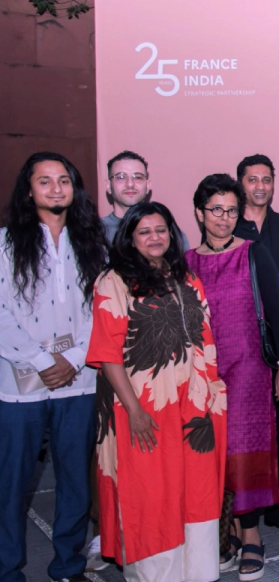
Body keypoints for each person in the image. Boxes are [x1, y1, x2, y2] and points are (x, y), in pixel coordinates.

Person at [86, 202, 227, 582]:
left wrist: (212, 394)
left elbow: (204, 338)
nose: (155, 237)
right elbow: (107, 355)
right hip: (143, 409)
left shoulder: (186, 277)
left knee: (195, 493)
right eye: (145, 231)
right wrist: (134, 410)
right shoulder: (113, 280)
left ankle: (197, 573)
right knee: (151, 493)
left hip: (194, 409)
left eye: (161, 229)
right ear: (129, 238)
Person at [0, 152, 107, 582]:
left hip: (78, 381)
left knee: (75, 482)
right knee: (12, 483)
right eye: (45, 181)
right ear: (30, 190)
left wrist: (76, 359)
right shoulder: (7, 244)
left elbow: (103, 310)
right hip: (19, 382)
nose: (55, 188)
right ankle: (8, 569)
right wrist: (44, 361)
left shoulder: (93, 246)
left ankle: (68, 565)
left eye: (63, 180)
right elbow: (2, 312)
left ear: (74, 188)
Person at [187, 174, 279, 580]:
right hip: (201, 374)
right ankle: (223, 533)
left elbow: (275, 309)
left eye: (231, 210)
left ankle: (251, 537)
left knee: (244, 452)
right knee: (209, 454)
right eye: (216, 210)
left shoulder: (253, 253)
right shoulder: (186, 261)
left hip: (248, 369)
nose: (224, 218)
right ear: (199, 213)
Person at [231, 153, 279, 537]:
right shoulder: (227, 225)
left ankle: (278, 507)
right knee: (239, 431)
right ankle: (240, 511)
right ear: (241, 183)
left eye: (266, 179)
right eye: (252, 179)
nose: (260, 186)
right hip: (237, 346)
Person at [101, 151, 191, 248]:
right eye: (121, 177)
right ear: (108, 185)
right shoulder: (95, 233)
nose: (130, 184)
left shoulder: (169, 234)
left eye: (138, 177)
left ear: (148, 185)